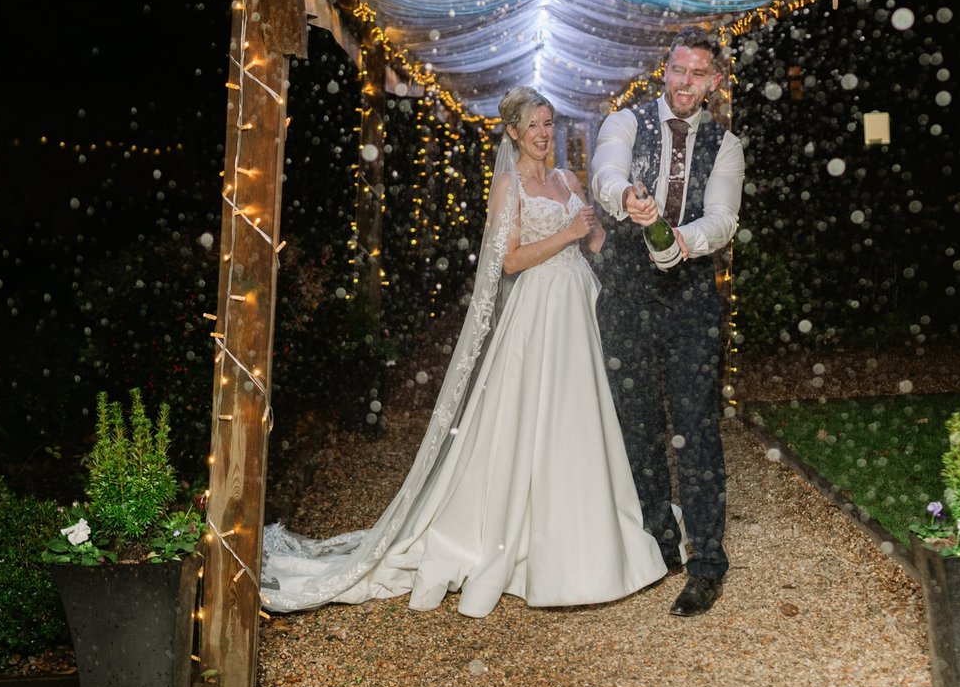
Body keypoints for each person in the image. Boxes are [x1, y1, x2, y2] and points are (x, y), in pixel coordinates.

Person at [259, 87, 666, 617]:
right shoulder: (508, 185)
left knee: (576, 417)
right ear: (514, 133)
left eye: (550, 124)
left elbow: (593, 243)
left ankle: (586, 528)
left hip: (576, 315)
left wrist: (603, 230)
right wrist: (567, 232)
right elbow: (512, 262)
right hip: (538, 315)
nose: (546, 134)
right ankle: (520, 536)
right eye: (535, 126)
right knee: (530, 418)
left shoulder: (568, 179)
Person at [590, 26, 744, 617]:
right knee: (638, 421)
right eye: (679, 70)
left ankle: (707, 562)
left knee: (697, 427)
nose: (685, 83)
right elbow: (605, 170)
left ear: (713, 82)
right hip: (628, 292)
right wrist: (625, 194)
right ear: (666, 70)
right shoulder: (627, 122)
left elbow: (724, 218)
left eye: (698, 74)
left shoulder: (725, 145)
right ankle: (657, 540)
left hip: (691, 298)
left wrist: (685, 239)